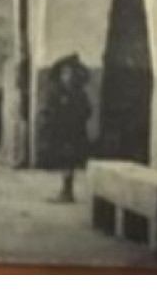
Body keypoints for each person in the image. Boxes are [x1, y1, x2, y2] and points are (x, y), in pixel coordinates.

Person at [40, 54, 93, 203]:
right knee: (64, 161)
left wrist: (75, 116)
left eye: (70, 74)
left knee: (69, 161)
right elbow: (49, 110)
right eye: (64, 74)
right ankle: (66, 190)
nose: (67, 77)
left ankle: (67, 191)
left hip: (74, 132)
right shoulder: (56, 92)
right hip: (61, 131)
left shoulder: (79, 94)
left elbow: (87, 110)